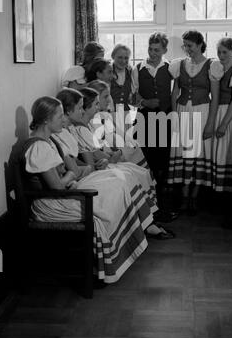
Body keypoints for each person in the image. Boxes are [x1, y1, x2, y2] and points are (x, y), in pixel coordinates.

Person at [21, 96, 155, 283]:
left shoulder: (47, 140)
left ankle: (119, 247)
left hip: (63, 192)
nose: (63, 120)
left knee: (116, 185)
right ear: (46, 120)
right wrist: (71, 175)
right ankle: (103, 260)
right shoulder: (38, 147)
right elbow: (57, 187)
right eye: (60, 116)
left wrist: (73, 173)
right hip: (52, 203)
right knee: (110, 195)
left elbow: (68, 173)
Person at [56, 87, 174, 240]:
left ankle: (147, 220)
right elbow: (82, 166)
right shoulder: (68, 133)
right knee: (125, 180)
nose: (83, 111)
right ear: (68, 112)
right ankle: (139, 225)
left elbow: (82, 162)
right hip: (86, 178)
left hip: (91, 171)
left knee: (134, 173)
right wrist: (84, 168)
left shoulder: (72, 130)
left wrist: (92, 164)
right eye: (80, 108)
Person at [168, 30, 224, 213]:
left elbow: (215, 97)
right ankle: (184, 196)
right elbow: (175, 92)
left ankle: (195, 196)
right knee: (185, 153)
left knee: (198, 153)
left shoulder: (212, 65)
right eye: (184, 46)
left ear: (200, 44)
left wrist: (210, 123)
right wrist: (174, 115)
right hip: (183, 110)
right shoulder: (179, 64)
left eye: (189, 45)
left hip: (202, 111)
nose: (187, 49)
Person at [132, 32, 173, 216]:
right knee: (146, 160)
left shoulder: (171, 68)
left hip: (164, 118)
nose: (153, 52)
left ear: (164, 50)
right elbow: (133, 96)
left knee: (162, 161)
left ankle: (162, 206)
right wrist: (145, 103)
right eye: (150, 48)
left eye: (157, 49)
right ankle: (147, 206)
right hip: (144, 118)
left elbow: (177, 92)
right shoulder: (138, 68)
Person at [211, 37, 232, 194]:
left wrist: (224, 124)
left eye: (225, 52)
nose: (221, 55)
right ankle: (216, 191)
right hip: (216, 112)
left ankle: (226, 193)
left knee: (226, 153)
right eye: (219, 52)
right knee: (217, 152)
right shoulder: (218, 70)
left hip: (228, 114)